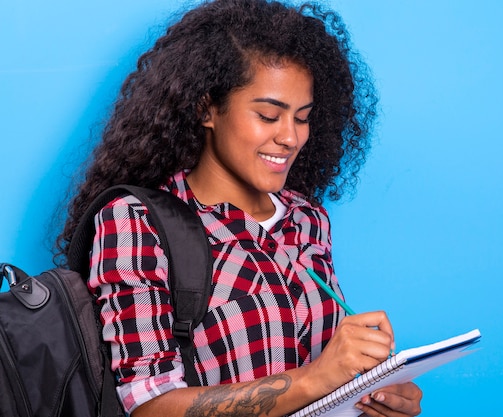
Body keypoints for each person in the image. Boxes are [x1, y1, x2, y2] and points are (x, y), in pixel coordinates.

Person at [56, 0, 423, 415]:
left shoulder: (308, 218)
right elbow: (149, 407)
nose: (291, 138)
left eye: (302, 118)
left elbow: (325, 374)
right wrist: (317, 377)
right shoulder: (137, 221)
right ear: (206, 108)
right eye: (269, 115)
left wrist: (372, 392)